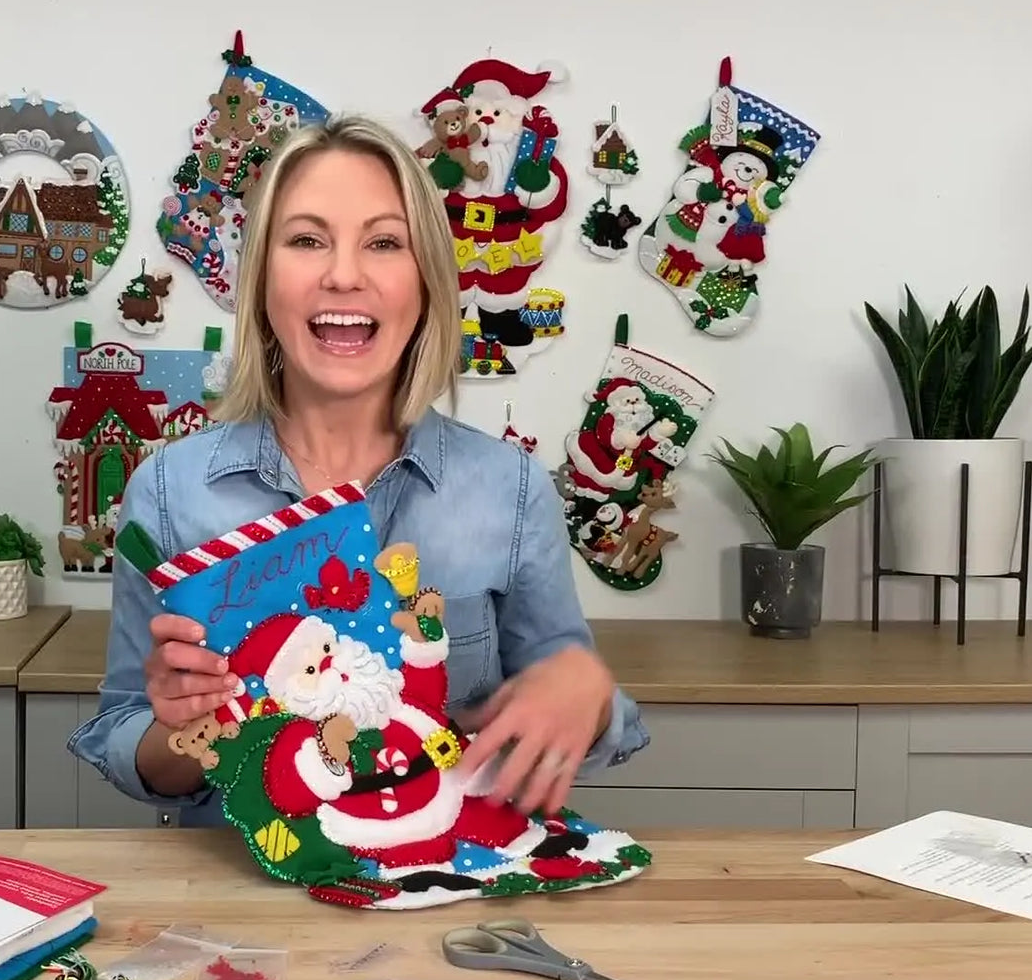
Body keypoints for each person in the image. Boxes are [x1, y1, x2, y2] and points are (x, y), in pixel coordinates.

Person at [67, 112, 649, 828]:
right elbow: (128, 740)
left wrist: (586, 694)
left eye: (383, 242)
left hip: (448, 899)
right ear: (260, 282)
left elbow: (583, 729)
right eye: (307, 240)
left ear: (427, 282)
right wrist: (187, 730)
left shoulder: (512, 489)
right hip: (246, 911)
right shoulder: (168, 491)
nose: (344, 274)